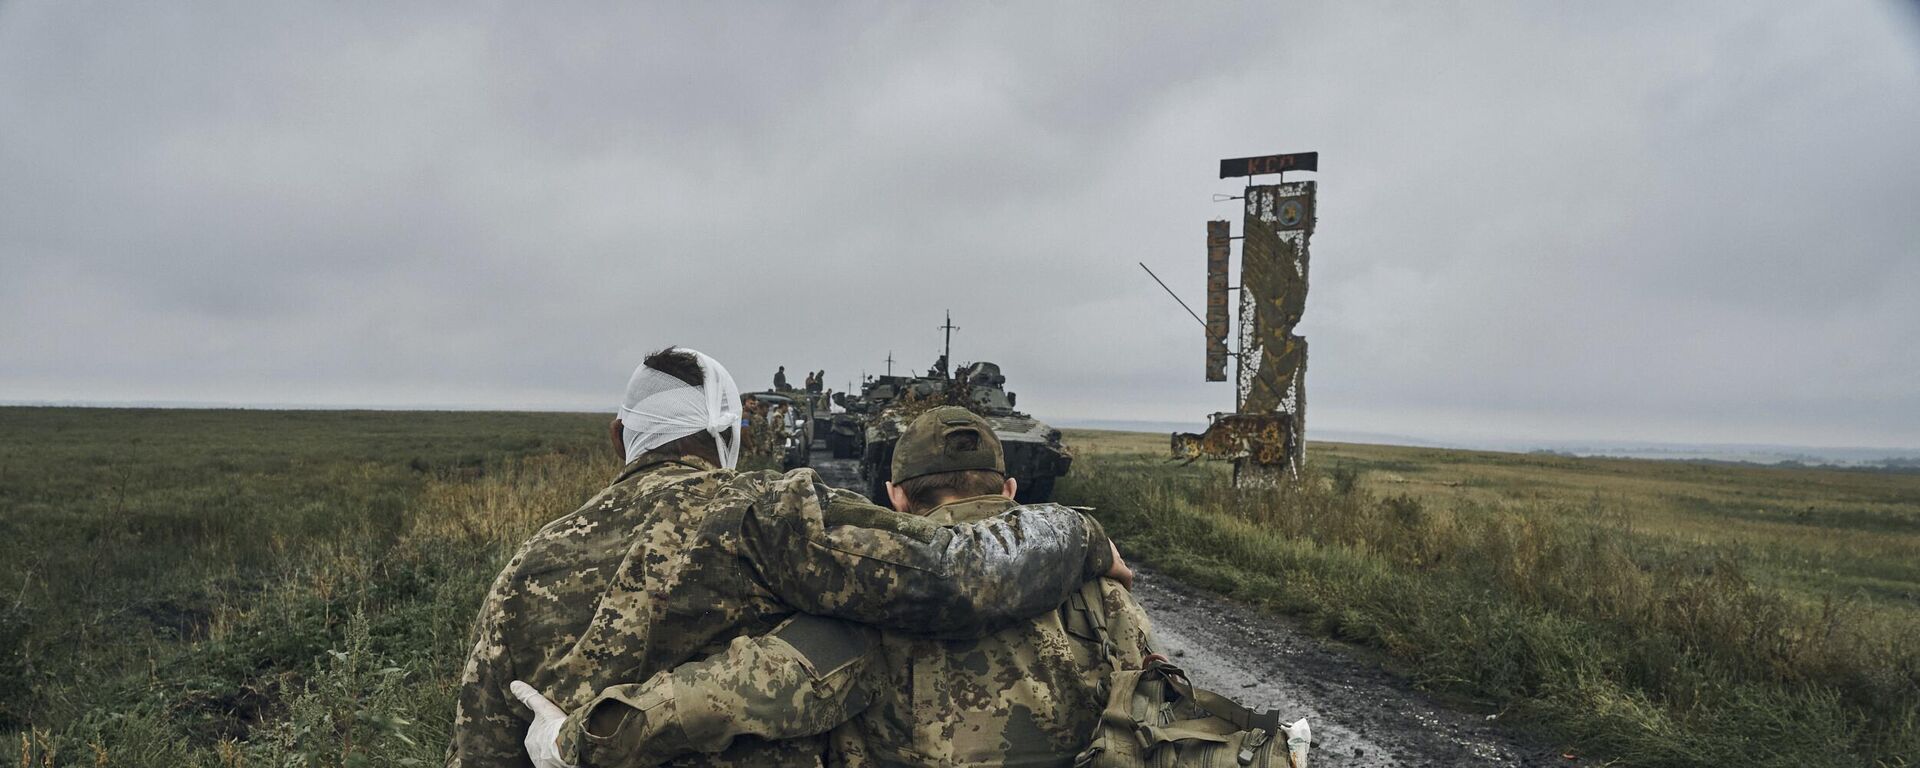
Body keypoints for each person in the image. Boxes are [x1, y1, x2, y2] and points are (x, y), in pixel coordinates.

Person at [450, 350, 1130, 768]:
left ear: (618, 437)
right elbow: (951, 575)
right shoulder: (767, 519)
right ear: (730, 436)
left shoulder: (523, 572)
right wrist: (1076, 533)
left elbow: (478, 749)